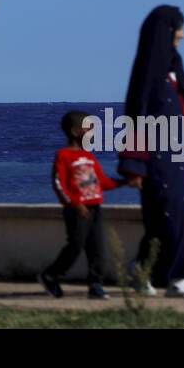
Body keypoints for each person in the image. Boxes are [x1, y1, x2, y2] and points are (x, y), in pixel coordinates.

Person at [117, 5, 184, 298]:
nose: (183, 34)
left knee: (170, 217)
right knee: (168, 216)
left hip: (180, 159)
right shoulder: (148, 75)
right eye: (178, 28)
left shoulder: (173, 72)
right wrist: (135, 165)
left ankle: (141, 270)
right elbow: (136, 117)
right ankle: (175, 279)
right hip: (158, 160)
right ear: (165, 32)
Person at [39, 110, 123, 299]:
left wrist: (125, 182)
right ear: (76, 131)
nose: (92, 133)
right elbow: (59, 183)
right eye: (88, 129)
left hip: (95, 209)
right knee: (75, 246)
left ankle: (95, 284)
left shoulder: (89, 156)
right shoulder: (63, 155)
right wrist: (75, 204)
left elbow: (102, 182)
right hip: (77, 211)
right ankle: (51, 275)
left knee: (98, 249)